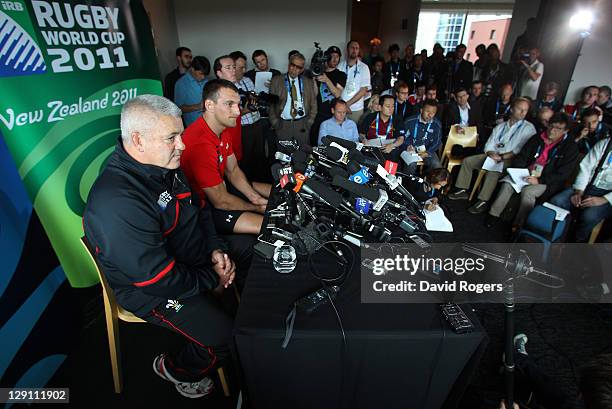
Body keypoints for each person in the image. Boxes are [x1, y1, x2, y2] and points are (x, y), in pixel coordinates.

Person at [84, 94, 239, 399]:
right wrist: (213, 277)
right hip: (150, 290)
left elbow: (200, 210)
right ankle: (174, 368)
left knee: (253, 252)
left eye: (180, 134)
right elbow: (158, 279)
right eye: (172, 137)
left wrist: (216, 250)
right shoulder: (116, 203)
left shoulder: (164, 162)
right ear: (138, 140)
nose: (182, 145)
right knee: (225, 337)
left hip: (190, 259)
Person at [181, 79, 271, 235]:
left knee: (265, 202)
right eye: (229, 104)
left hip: (221, 189)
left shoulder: (224, 129)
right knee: (270, 229)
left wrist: (255, 198)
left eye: (237, 104)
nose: (237, 112)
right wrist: (256, 207)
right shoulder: (200, 143)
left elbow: (233, 170)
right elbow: (220, 201)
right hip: (202, 206)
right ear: (209, 105)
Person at [486, 113, 578, 229]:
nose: (552, 130)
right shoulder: (537, 138)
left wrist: (539, 180)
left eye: (558, 128)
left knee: (528, 192)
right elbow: (522, 157)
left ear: (565, 131)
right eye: (551, 126)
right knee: (507, 184)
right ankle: (493, 215)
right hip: (526, 173)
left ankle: (518, 225)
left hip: (546, 180)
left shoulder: (570, 147)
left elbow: (563, 174)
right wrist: (519, 171)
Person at [448, 98, 536, 214]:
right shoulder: (501, 126)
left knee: (493, 170)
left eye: (525, 110)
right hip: (492, 156)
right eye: (520, 109)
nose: (523, 112)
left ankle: (483, 201)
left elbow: (519, 150)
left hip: (510, 159)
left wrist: (501, 157)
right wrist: (491, 154)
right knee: (468, 161)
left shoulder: (528, 128)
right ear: (512, 109)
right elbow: (488, 145)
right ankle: (463, 189)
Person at [549, 137, 611, 242]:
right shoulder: (604, 144)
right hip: (587, 186)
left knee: (589, 216)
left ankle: (576, 242)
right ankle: (556, 235)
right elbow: (586, 167)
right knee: (557, 201)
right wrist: (579, 191)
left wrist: (604, 199)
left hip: (606, 195)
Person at [231, 51, 269, 182]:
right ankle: (248, 187)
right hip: (242, 129)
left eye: (244, 66)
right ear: (232, 67)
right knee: (246, 161)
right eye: (241, 67)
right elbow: (227, 115)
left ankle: (262, 184)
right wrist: (245, 111)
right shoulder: (228, 87)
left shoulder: (247, 80)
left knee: (260, 157)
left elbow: (256, 98)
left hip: (257, 124)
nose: (244, 70)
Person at [269, 52, 318, 146]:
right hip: (283, 125)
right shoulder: (276, 80)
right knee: (283, 156)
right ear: (289, 64)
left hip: (302, 124)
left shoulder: (307, 82)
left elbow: (314, 103)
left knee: (302, 154)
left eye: (298, 67)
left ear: (302, 69)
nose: (294, 69)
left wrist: (309, 122)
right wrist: (275, 123)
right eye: (292, 65)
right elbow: (271, 104)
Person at [311, 46, 348, 145]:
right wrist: (314, 79)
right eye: (332, 56)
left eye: (337, 56)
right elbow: (314, 94)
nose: (335, 59)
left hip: (334, 115)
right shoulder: (318, 71)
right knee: (316, 143)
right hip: (319, 114)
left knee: (333, 143)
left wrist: (326, 80)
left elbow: (337, 93)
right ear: (326, 58)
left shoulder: (341, 75)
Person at [213, 55, 244, 162]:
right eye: (228, 68)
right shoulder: (215, 94)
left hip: (236, 140)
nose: (233, 71)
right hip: (224, 145)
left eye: (234, 67)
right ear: (219, 73)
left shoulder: (233, 90)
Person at [358, 94, 406, 161]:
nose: (391, 109)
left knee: (393, 161)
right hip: (372, 150)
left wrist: (392, 145)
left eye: (393, 106)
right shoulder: (370, 117)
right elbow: (361, 134)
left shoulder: (397, 119)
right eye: (388, 106)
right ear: (380, 107)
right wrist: (363, 139)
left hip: (390, 149)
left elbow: (401, 138)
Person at [402, 99, 443, 174]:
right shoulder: (410, 121)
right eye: (427, 112)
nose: (430, 115)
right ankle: (407, 183)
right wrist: (407, 146)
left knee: (437, 165)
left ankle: (426, 181)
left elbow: (437, 142)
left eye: (433, 113)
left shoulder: (437, 124)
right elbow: (402, 137)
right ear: (421, 110)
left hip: (427, 150)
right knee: (411, 165)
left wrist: (428, 152)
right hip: (411, 149)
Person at [339, 40, 372, 123]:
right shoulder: (340, 66)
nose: (354, 50)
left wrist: (347, 104)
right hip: (340, 108)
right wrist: (343, 105)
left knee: (354, 133)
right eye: (352, 47)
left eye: (357, 48)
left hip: (356, 109)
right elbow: (336, 89)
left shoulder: (364, 67)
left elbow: (363, 90)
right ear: (347, 50)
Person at [174, 56, 210, 127]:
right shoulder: (181, 83)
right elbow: (178, 109)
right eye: (200, 73)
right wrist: (199, 106)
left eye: (205, 75)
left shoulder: (206, 81)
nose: (203, 77)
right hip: (194, 127)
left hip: (210, 123)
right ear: (192, 69)